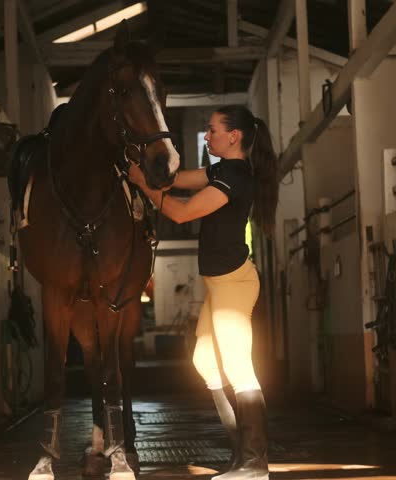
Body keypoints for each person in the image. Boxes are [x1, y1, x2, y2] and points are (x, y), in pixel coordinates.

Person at [128, 105, 278, 480]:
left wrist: (141, 183)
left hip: (234, 283)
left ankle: (255, 462)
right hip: (218, 283)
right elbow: (178, 181)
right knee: (207, 364)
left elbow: (181, 213)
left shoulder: (237, 176)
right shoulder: (221, 170)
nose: (207, 137)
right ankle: (240, 452)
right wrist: (148, 166)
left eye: (212, 131)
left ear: (234, 136)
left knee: (240, 368)